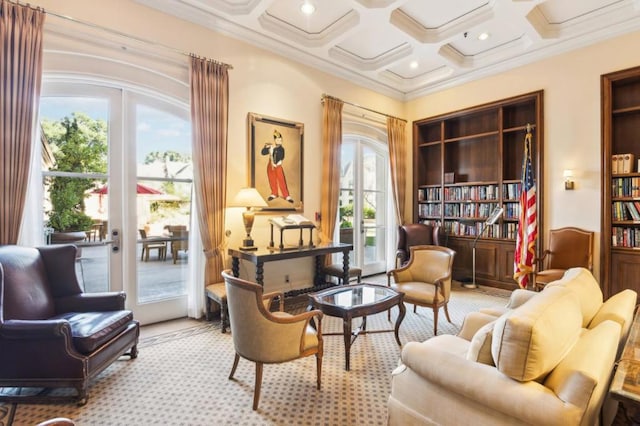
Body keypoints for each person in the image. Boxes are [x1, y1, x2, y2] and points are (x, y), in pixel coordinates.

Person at [261, 129, 294, 203]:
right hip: (270, 166)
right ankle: (274, 193)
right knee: (272, 179)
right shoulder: (271, 147)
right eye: (278, 139)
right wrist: (266, 147)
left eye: (280, 139)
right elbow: (263, 153)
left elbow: (280, 157)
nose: (280, 140)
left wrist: (273, 151)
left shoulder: (281, 149)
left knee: (281, 180)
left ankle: (286, 195)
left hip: (278, 165)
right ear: (275, 140)